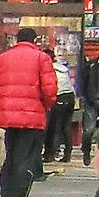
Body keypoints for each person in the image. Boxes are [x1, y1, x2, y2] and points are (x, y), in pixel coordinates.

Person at [0, 27, 57, 197]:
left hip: (7, 116)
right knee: (26, 158)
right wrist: (46, 106)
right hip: (32, 116)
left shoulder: (3, 58)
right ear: (34, 41)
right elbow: (49, 90)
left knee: (12, 155)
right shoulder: (42, 58)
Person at [42, 38, 78, 168]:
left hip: (58, 98)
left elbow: (49, 87)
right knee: (65, 126)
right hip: (70, 97)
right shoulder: (63, 67)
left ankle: (50, 153)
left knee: (54, 127)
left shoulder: (49, 69)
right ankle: (67, 153)